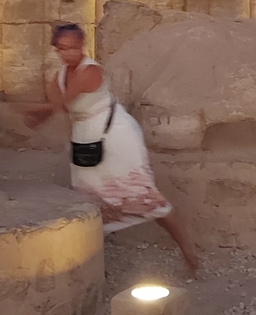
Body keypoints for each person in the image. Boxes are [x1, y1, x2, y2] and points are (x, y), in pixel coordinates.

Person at [26, 23, 200, 273]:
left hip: (115, 136)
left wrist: (20, 110)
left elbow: (60, 103)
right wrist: (41, 120)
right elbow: (58, 109)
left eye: (72, 48)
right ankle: (88, 266)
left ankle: (188, 253)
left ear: (81, 46)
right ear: (56, 49)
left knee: (144, 196)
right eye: (62, 49)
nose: (68, 53)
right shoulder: (59, 76)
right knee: (89, 199)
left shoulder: (90, 72)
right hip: (85, 137)